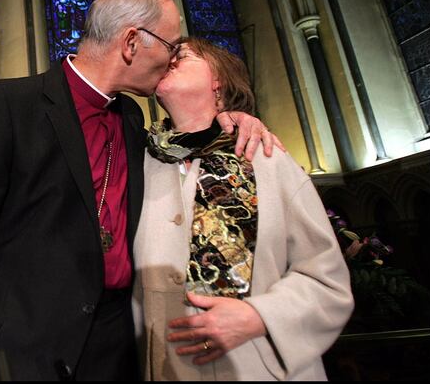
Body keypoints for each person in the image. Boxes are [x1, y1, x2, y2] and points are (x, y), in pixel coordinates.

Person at [0, 0, 280, 380]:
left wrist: (234, 119)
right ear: (132, 42)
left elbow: (187, 152)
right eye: (172, 46)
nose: (173, 59)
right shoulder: (8, 106)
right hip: (14, 356)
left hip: (112, 352)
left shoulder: (135, 120)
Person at [132, 37, 354, 381]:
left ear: (218, 80)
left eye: (183, 55)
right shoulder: (141, 165)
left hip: (259, 365)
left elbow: (327, 281)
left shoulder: (265, 158)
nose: (169, 58)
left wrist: (261, 315)